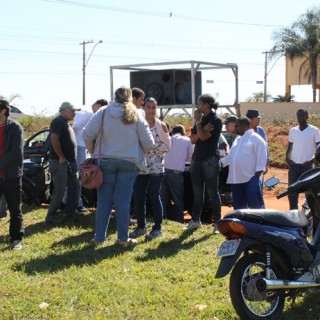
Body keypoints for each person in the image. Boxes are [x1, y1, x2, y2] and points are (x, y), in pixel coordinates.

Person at [83, 86, 154, 247]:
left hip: (104, 162)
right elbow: (149, 144)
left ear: (114, 97)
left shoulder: (103, 112)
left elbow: (87, 134)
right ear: (130, 98)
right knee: (123, 201)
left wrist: (93, 152)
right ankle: (123, 238)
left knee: (103, 202)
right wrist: (135, 150)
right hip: (129, 163)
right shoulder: (136, 114)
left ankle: (99, 238)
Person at [130, 97, 171, 240]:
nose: (151, 110)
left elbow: (167, 147)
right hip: (141, 167)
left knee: (155, 196)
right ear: (144, 108)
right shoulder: (139, 125)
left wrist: (152, 145)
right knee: (139, 197)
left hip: (156, 168)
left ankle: (157, 228)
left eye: (154, 107)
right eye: (148, 107)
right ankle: (141, 226)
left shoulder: (161, 126)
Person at [186, 93, 222, 234]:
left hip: (210, 160)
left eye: (199, 103)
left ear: (206, 105)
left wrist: (199, 125)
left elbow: (203, 137)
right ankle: (195, 220)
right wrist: (200, 128)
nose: (197, 106)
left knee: (213, 193)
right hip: (197, 159)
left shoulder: (216, 120)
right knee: (197, 192)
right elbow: (193, 140)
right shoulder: (201, 120)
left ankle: (218, 223)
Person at [220, 117, 268, 210]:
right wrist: (219, 163)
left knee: (255, 208)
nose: (235, 128)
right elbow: (230, 157)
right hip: (236, 180)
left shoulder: (257, 139)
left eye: (236, 126)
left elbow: (262, 159)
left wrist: (255, 178)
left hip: (250, 179)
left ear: (243, 126)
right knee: (239, 209)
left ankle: (256, 224)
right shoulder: (237, 139)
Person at [45, 102, 80, 225]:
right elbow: (54, 139)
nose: (74, 113)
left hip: (69, 161)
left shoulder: (65, 123)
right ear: (63, 111)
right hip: (60, 162)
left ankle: (70, 213)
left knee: (73, 187)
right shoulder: (58, 122)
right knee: (60, 189)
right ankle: (51, 215)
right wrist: (61, 157)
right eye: (72, 110)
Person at [0, 100, 24, 250]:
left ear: (3, 111)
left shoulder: (15, 128)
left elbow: (16, 153)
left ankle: (16, 240)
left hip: (11, 176)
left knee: (15, 209)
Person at [286, 108, 320, 210]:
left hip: (308, 167)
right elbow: (290, 147)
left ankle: (309, 215)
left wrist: (312, 161)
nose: (300, 118)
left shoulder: (314, 130)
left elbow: (319, 148)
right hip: (294, 166)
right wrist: (287, 158)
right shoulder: (293, 130)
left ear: (307, 117)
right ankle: (293, 214)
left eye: (302, 115)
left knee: (309, 193)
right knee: (292, 192)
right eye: (298, 115)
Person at [161, 124, 193, 223]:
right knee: (178, 199)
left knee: (162, 199)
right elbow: (190, 158)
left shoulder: (167, 139)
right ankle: (179, 221)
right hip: (176, 174)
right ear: (183, 132)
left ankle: (162, 220)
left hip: (162, 172)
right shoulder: (187, 140)